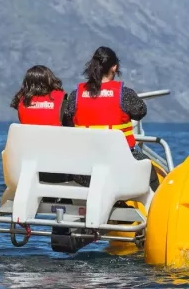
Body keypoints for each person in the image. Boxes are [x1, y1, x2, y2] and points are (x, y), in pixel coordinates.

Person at [60, 46, 158, 191]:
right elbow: (140, 111)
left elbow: (66, 117)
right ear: (114, 67)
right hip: (120, 168)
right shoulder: (124, 94)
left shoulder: (76, 95)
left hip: (84, 171)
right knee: (150, 171)